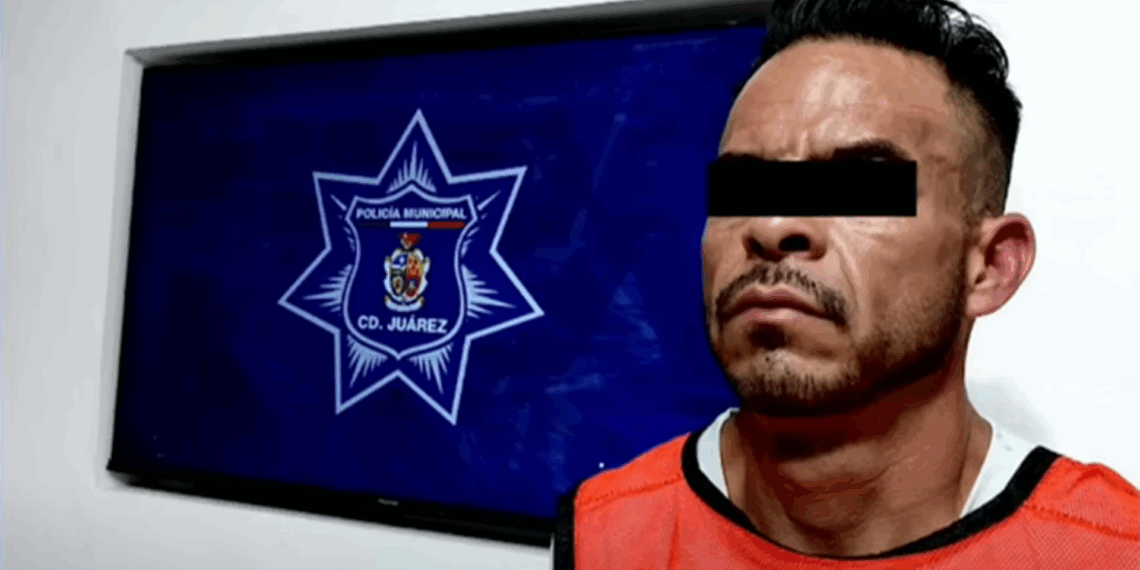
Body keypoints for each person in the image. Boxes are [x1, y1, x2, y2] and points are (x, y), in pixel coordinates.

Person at [552, 0, 1140, 568]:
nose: (772, 225)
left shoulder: (1110, 551)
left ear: (989, 266)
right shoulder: (606, 534)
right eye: (743, 188)